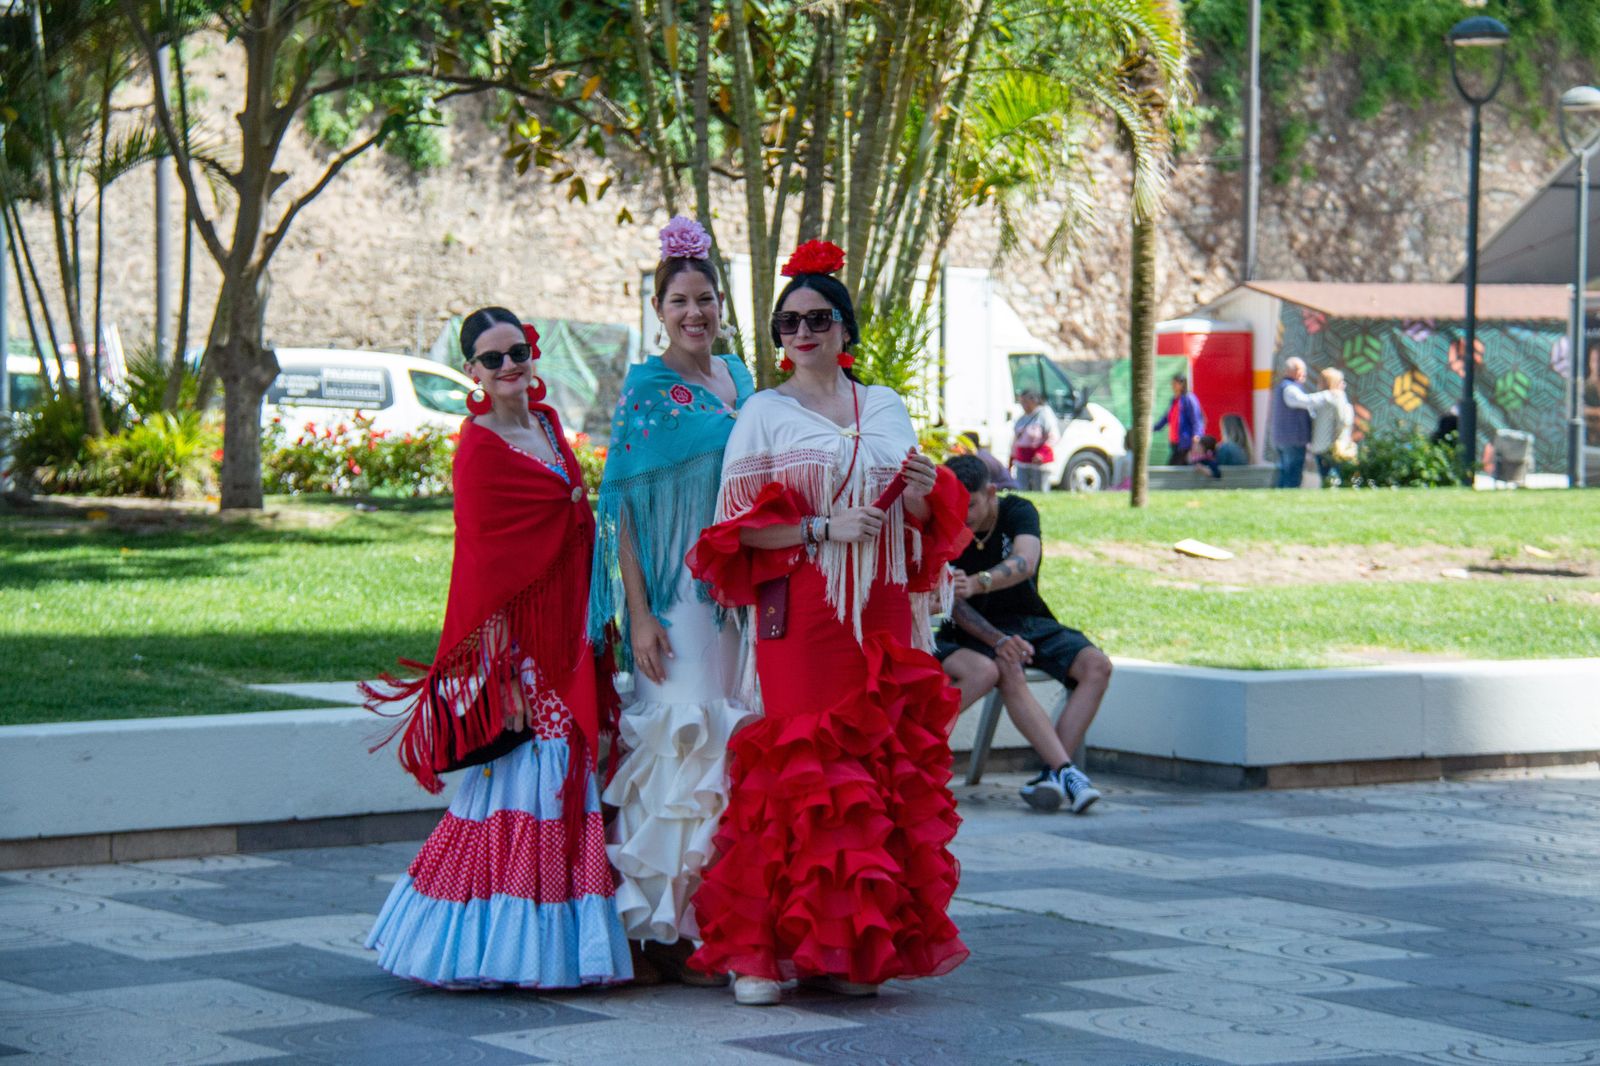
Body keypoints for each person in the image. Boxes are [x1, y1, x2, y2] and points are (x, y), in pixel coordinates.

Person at [685, 239, 970, 1006]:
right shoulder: (764, 413)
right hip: (805, 609)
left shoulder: (886, 406)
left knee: (873, 770)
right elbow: (732, 533)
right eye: (788, 323)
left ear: (845, 328)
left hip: (882, 609)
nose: (802, 333)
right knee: (802, 768)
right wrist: (819, 529)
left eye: (817, 319)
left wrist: (921, 489)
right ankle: (758, 953)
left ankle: (845, 948)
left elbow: (921, 519)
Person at [363, 306, 630, 989]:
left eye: (517, 352)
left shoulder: (548, 426)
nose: (509, 366)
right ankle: (495, 947)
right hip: (525, 652)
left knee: (561, 776)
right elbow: (487, 570)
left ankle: (551, 946)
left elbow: (574, 523)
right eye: (492, 358)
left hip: (573, 633)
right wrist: (504, 675)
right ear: (472, 372)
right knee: (532, 781)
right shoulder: (479, 450)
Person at [589, 217, 757, 985]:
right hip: (676, 598)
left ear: (721, 305)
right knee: (680, 744)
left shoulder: (742, 379)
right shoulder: (645, 391)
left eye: (706, 299)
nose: (695, 312)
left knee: (730, 749)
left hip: (740, 597)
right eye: (680, 301)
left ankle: (717, 925)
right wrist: (639, 614)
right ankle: (661, 932)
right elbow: (621, 509)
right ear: (658, 310)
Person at [937, 455, 1111, 814]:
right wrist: (997, 640)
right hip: (974, 631)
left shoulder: (1018, 511)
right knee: (1008, 665)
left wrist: (979, 582)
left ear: (990, 492)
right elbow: (954, 606)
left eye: (970, 504)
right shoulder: (944, 523)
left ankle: (1053, 774)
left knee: (1097, 665)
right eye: (955, 504)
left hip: (1030, 620)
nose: (962, 514)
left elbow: (1025, 562)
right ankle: (1067, 772)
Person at [1304, 367, 1355, 484]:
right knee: (1337, 478)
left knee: (1326, 478)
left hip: (1322, 445)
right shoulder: (1335, 396)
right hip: (1333, 446)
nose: (1344, 384)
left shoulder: (1322, 397)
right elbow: (1343, 421)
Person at [1270, 357, 1314, 488]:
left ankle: (1280, 496)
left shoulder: (1284, 387)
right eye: (1301, 370)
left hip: (1283, 439)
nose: (1304, 374)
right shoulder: (1290, 388)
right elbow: (1305, 401)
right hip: (1293, 440)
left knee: (1284, 472)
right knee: (1292, 474)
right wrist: (1329, 395)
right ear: (1292, 371)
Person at [1010, 389, 1059, 490]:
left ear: (1034, 401)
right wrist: (1011, 458)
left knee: (1040, 490)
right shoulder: (1021, 418)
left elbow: (1053, 437)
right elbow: (1015, 440)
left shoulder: (1044, 415)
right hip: (1022, 461)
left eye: (1025, 401)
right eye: (1021, 402)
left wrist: (1041, 453)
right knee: (1022, 490)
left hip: (1039, 462)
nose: (1023, 405)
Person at [1152, 372, 1205, 467]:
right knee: (1181, 468)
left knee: (1173, 468)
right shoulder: (1174, 400)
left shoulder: (1189, 398)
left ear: (1182, 384)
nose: (1172, 386)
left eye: (1175, 383)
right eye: (1172, 383)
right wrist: (1153, 428)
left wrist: (1196, 437)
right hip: (1175, 443)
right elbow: (1166, 418)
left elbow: (1196, 419)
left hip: (1185, 443)